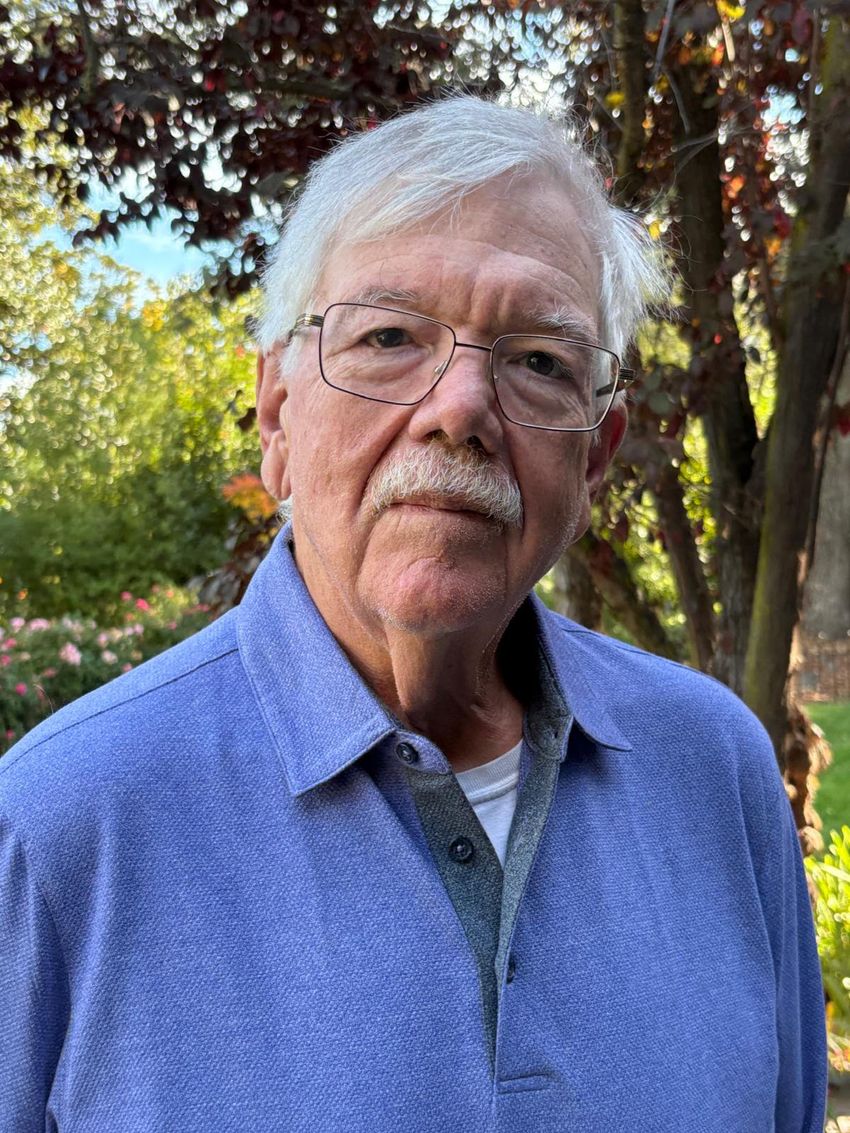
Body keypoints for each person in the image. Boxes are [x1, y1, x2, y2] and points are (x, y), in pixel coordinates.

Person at [0, 96, 826, 1132]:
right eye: (389, 335)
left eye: (537, 360)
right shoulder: (57, 825)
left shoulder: (715, 771)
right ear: (276, 417)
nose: (460, 407)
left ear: (597, 457)